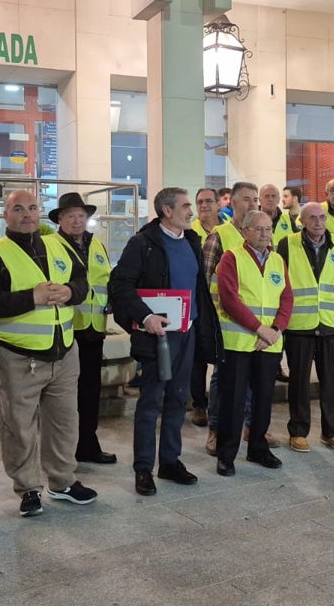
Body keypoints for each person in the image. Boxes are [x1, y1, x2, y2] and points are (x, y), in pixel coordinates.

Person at [0, 189, 96, 517]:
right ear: (6, 215)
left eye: (32, 208)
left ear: (40, 211)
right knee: (18, 426)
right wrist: (32, 297)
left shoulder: (60, 244)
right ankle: (28, 489)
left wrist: (70, 291)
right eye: (18, 209)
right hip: (17, 356)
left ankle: (62, 481)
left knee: (64, 423)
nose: (27, 214)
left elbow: (83, 282)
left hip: (64, 352)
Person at [109, 187, 220, 496]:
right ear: (167, 211)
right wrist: (146, 317)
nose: (191, 211)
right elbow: (120, 285)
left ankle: (170, 461)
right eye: (186, 206)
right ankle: (143, 468)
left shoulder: (192, 241)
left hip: (188, 333)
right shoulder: (142, 244)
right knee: (150, 402)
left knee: (178, 398)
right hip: (155, 335)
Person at [214, 210, 292, 475]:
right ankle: (226, 454)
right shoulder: (231, 257)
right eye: (258, 229)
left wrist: (276, 329)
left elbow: (287, 299)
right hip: (239, 342)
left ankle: (258, 448)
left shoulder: (278, 260)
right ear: (245, 231)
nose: (264, 234)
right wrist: (260, 329)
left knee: (263, 399)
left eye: (268, 229)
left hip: (269, 342)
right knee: (233, 401)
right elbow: (229, 299)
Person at [276, 201, 334, 452]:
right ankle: (298, 431)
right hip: (300, 324)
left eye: (322, 217)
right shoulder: (287, 244)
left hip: (330, 323)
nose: (318, 222)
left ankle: (331, 432)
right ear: (303, 221)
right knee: (298, 381)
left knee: (329, 381)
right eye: (313, 218)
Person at [51, 192, 117, 465]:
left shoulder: (97, 245)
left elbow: (105, 281)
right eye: (70, 216)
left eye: (81, 216)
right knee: (66, 395)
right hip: (65, 330)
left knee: (90, 390)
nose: (77, 221)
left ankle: (88, 444)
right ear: (61, 219)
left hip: (94, 328)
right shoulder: (51, 245)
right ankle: (65, 450)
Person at [201, 181, 264, 455]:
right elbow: (204, 282)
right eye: (247, 199)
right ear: (232, 203)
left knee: (254, 378)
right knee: (222, 380)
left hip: (257, 324)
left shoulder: (262, 235)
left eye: (255, 200)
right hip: (226, 323)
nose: (252, 204)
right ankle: (216, 430)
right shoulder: (219, 236)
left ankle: (251, 426)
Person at [189, 186, 221, 428]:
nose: (204, 206)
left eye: (209, 201)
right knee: (198, 356)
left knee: (223, 354)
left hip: (226, 303)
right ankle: (199, 404)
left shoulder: (230, 229)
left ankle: (222, 402)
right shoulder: (190, 232)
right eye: (200, 202)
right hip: (200, 300)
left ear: (218, 203)